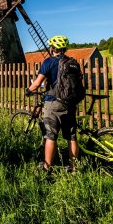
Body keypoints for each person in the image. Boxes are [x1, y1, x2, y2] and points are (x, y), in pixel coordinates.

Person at [25, 35, 78, 173]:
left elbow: (37, 83)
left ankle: (47, 167)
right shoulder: (73, 62)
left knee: (51, 136)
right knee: (71, 137)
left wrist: (28, 91)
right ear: (64, 48)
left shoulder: (49, 62)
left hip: (54, 103)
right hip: (70, 103)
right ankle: (73, 168)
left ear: (52, 48)